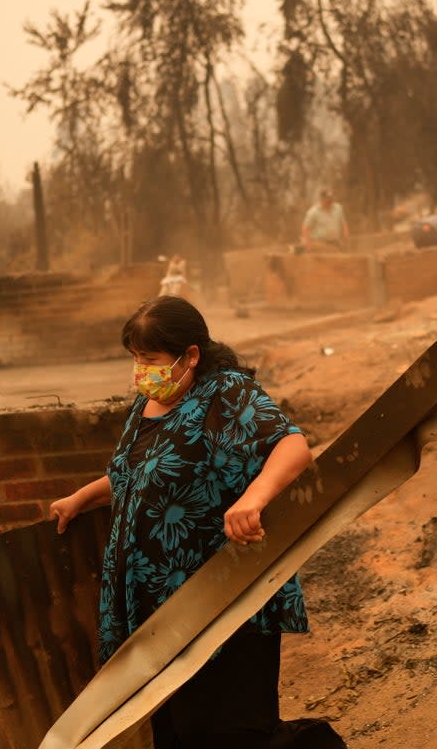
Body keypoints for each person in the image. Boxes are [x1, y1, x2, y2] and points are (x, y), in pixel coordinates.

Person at [49, 296, 346, 749]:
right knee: (177, 730)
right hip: (154, 606)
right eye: (135, 358)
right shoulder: (148, 402)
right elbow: (135, 472)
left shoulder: (225, 393)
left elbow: (291, 447)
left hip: (219, 592)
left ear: (191, 355)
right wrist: (80, 498)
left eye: (150, 359)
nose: (140, 370)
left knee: (231, 732)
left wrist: (253, 499)